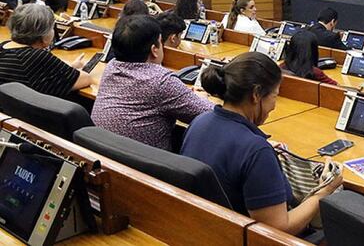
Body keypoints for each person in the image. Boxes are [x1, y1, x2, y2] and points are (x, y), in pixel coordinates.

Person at [180, 52, 344, 232]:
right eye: (274, 96)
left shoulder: (199, 122)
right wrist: (325, 190)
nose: (274, 106)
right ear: (256, 95)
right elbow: (278, 230)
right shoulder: (255, 150)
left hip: (207, 230)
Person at [91, 15, 213, 150]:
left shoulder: (111, 67)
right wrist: (203, 98)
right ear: (154, 50)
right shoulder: (161, 82)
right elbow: (211, 114)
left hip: (105, 154)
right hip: (142, 165)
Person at [0, 4, 91, 96]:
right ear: (44, 34)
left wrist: (69, 68)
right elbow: (86, 79)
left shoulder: (4, 46)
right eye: (52, 28)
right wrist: (80, 69)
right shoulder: (36, 56)